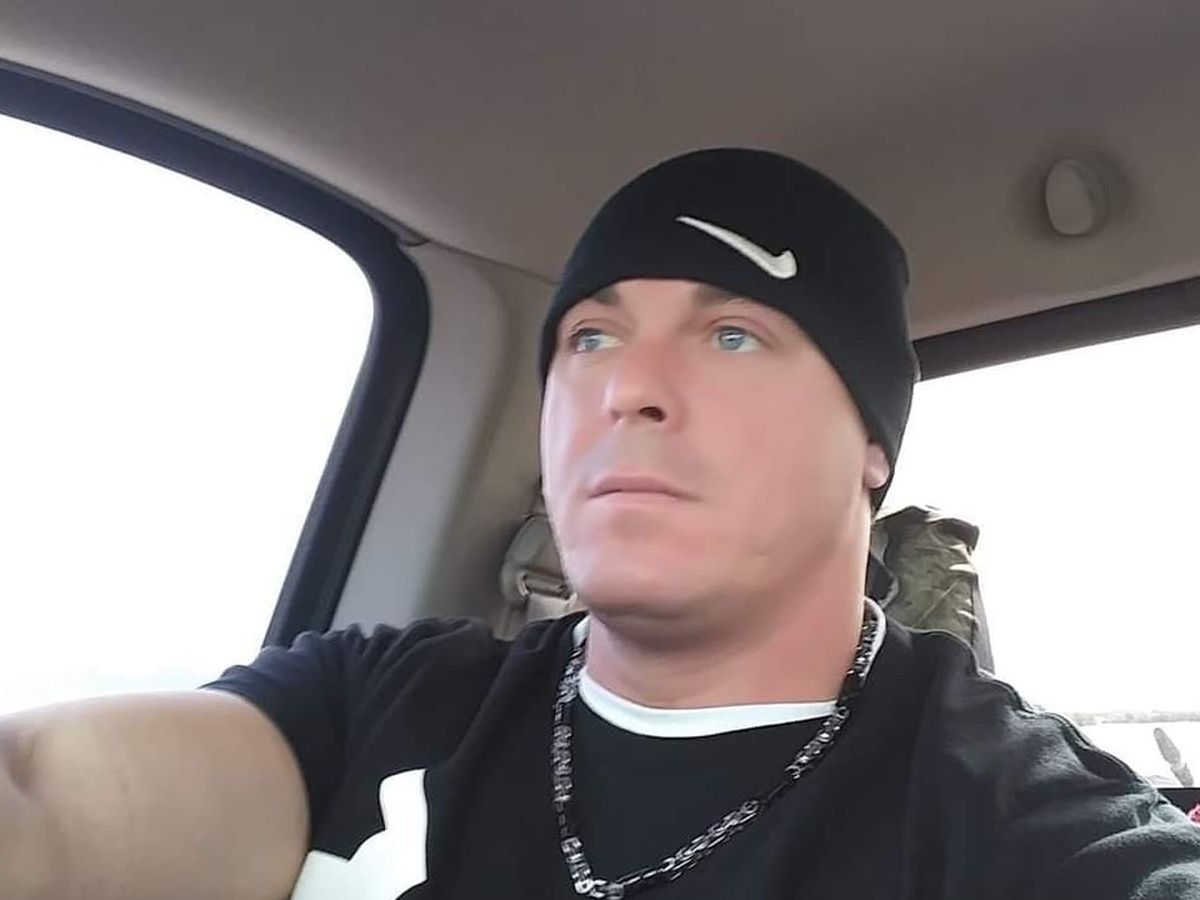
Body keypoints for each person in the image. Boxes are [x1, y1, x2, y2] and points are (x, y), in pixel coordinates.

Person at [2, 148, 1198, 900]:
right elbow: (49, 810)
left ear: (873, 448)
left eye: (734, 334)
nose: (629, 385)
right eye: (590, 337)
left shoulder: (1007, 819)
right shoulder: (376, 702)